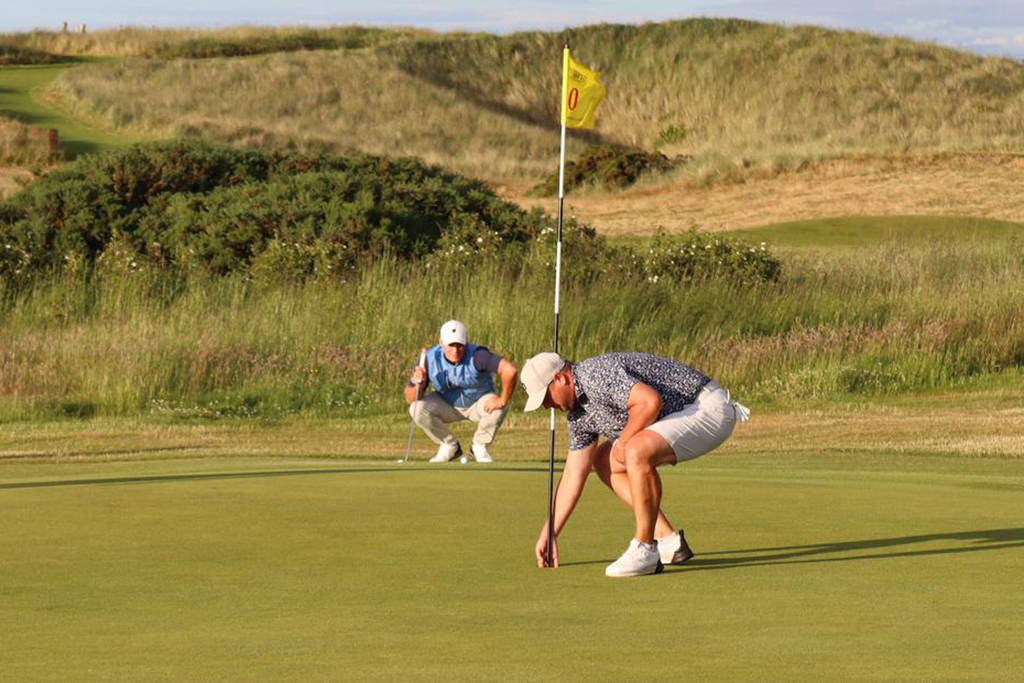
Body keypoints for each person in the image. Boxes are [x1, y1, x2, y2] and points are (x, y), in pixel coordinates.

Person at [520, 351, 749, 577]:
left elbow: (649, 402)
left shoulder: (595, 374)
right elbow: (573, 475)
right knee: (603, 460)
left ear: (561, 378)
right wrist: (550, 531)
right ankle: (668, 542)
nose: (546, 406)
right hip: (684, 416)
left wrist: (624, 440)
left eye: (546, 397)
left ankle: (644, 548)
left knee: (634, 449)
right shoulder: (579, 416)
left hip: (707, 408)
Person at [404, 320, 518, 463]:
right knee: (416, 408)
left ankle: (478, 446)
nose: (456, 350)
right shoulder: (429, 358)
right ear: (441, 342)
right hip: (447, 404)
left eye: (460, 345)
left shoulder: (478, 355)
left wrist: (502, 399)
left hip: (479, 402)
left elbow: (510, 371)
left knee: (499, 408)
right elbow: (410, 398)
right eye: (451, 345)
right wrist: (417, 384)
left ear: (466, 343)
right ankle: (449, 446)